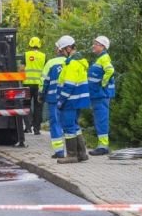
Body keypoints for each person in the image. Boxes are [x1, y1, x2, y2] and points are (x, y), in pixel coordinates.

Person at [55, 36, 90, 164]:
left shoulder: (72, 64)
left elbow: (69, 85)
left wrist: (61, 100)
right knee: (75, 126)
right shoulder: (78, 62)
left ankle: (72, 155)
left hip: (70, 101)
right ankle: (82, 154)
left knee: (68, 126)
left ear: (69, 48)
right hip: (77, 100)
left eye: (62, 50)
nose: (61, 53)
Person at [88, 35, 116, 156]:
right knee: (99, 119)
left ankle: (103, 147)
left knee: (101, 119)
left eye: (96, 44)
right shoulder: (100, 58)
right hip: (97, 95)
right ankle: (102, 145)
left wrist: (103, 83)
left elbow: (110, 70)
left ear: (103, 46)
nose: (93, 46)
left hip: (101, 95)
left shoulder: (104, 58)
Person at [42, 38, 68, 158]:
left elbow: (44, 81)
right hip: (68, 98)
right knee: (70, 123)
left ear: (60, 49)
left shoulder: (51, 63)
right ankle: (73, 150)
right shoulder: (71, 62)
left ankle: (59, 151)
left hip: (53, 98)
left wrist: (41, 95)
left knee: (55, 123)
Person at [23, 36, 46, 135]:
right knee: (38, 107)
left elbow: (21, 68)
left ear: (30, 44)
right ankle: (37, 129)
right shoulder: (44, 56)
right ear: (39, 45)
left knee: (26, 105)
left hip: (27, 84)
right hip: (39, 85)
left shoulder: (26, 55)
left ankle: (28, 127)